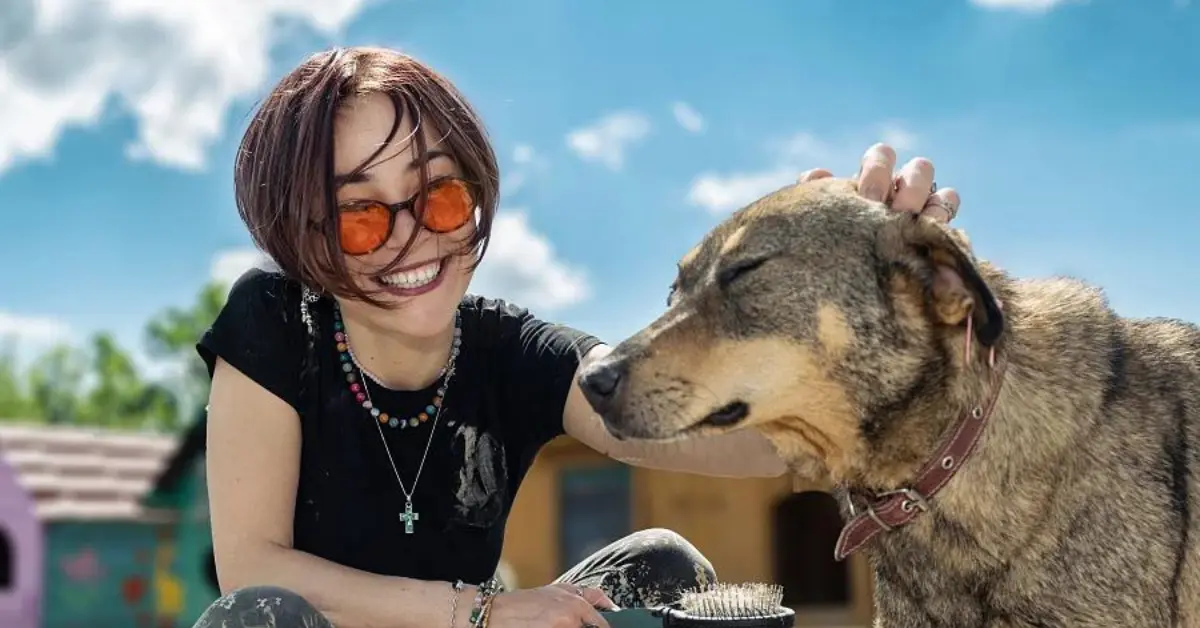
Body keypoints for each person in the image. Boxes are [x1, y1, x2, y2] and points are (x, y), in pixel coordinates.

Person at [191, 46, 961, 628]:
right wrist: (485, 613)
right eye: (361, 214)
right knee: (256, 617)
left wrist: (865, 317)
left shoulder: (513, 354)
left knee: (662, 565)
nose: (412, 240)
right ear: (305, 240)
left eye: (442, 198)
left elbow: (752, 446)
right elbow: (250, 566)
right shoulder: (275, 325)